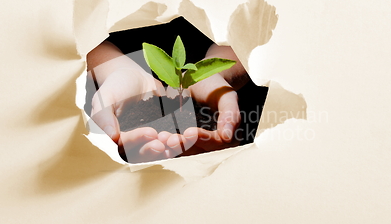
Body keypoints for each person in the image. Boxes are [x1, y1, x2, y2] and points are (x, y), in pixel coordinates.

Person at [86, 17, 267, 162]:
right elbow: (75, 29)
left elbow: (255, 21)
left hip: (245, 100)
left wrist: (222, 73)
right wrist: (115, 69)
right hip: (101, 79)